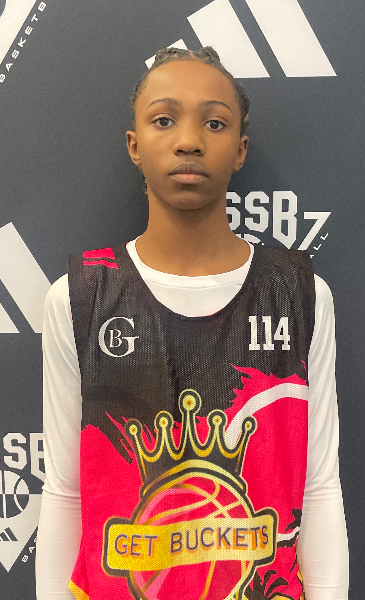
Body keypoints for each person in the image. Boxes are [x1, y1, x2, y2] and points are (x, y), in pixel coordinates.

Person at [36, 47, 349, 600]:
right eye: (163, 120)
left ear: (240, 148)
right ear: (134, 145)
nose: (188, 140)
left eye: (214, 122)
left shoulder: (301, 295)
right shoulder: (79, 296)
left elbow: (319, 487)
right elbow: (64, 493)